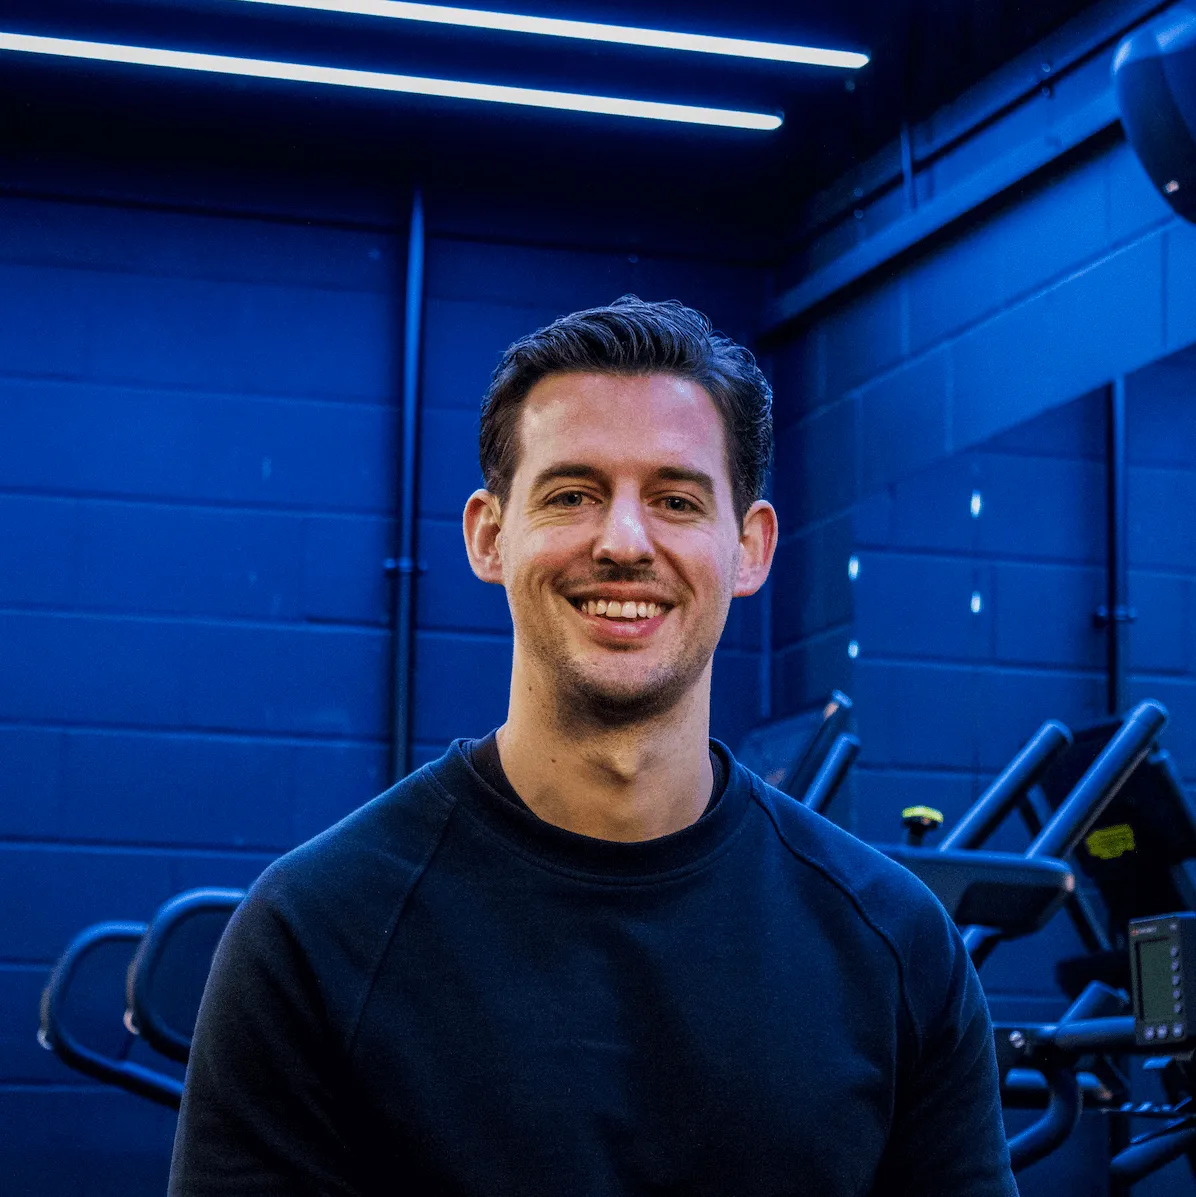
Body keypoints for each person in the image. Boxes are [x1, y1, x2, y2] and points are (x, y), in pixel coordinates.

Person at [169, 297, 1016, 1196]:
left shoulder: (898, 947)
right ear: (490, 536)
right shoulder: (312, 933)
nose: (622, 542)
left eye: (676, 500)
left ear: (749, 547)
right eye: (572, 494)